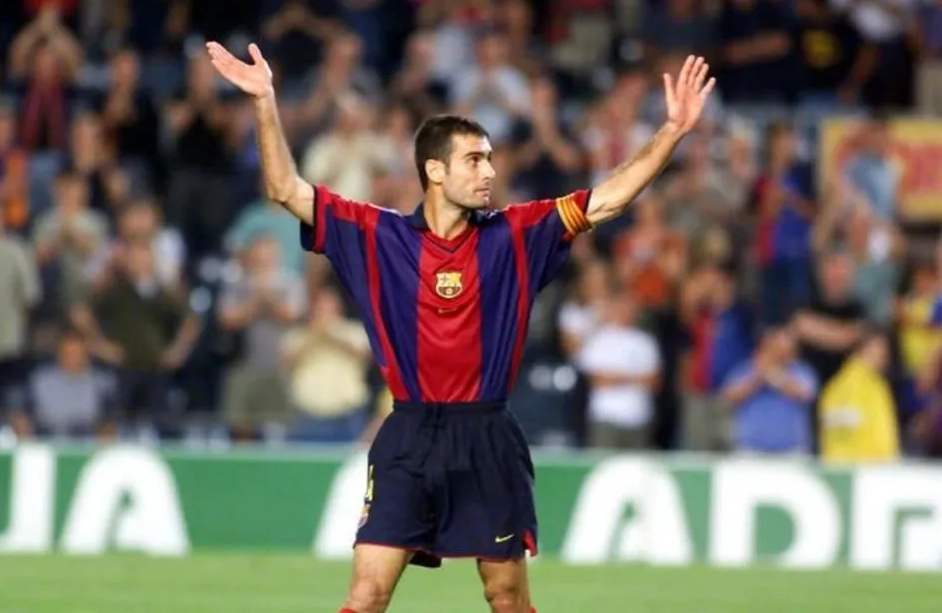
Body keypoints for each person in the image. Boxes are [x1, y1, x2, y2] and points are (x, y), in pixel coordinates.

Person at [207, 40, 714, 613]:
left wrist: (672, 130)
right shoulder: (376, 235)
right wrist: (265, 102)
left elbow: (607, 201)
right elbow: (284, 189)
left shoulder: (517, 234)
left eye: (490, 158)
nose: (489, 171)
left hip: (486, 435)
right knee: (367, 593)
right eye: (474, 160)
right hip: (407, 436)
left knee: (506, 596)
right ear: (434, 170)